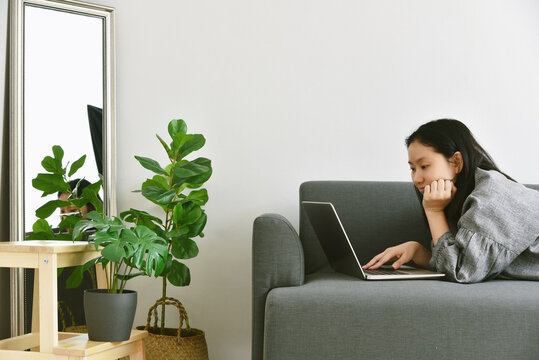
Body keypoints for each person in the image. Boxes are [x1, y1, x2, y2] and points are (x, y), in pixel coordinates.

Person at [363, 119, 539, 283]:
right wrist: (417, 251)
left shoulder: (491, 195)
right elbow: (458, 260)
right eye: (412, 168)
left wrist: (434, 212)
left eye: (424, 166)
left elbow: (462, 270)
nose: (416, 178)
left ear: (456, 162)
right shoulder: (463, 198)